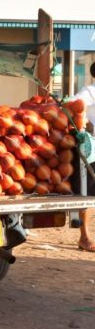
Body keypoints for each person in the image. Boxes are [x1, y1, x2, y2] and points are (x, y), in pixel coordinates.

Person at [67, 62, 95, 252]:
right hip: (93, 150)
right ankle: (84, 236)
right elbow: (71, 103)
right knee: (88, 195)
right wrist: (84, 122)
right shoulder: (91, 91)